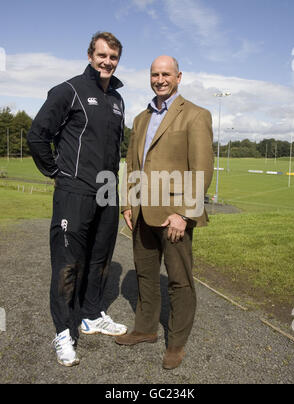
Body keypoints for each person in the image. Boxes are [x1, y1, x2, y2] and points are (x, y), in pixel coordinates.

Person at [27, 32, 127, 367]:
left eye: (113, 57)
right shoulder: (68, 91)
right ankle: (63, 331)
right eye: (102, 55)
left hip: (107, 191)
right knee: (68, 265)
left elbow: (114, 149)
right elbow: (38, 134)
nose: (107, 62)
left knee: (100, 259)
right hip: (74, 191)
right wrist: (57, 172)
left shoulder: (117, 99)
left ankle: (91, 314)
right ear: (90, 55)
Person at [116, 55, 214, 370]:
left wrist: (184, 214)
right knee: (145, 275)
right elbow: (132, 163)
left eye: (166, 74)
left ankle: (176, 343)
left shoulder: (196, 115)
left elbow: (202, 169)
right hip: (142, 211)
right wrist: (128, 204)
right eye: (155, 74)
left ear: (179, 76)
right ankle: (145, 330)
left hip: (174, 215)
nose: (160, 79)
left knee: (179, 280)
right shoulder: (141, 118)